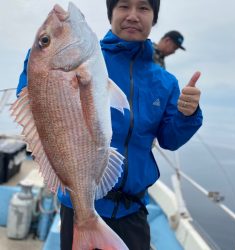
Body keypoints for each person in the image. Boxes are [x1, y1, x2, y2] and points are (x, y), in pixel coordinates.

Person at [17, 0, 202, 249]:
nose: (133, 16)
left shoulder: (165, 81)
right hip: (77, 204)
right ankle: (87, 219)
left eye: (144, 8)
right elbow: (36, 105)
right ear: (111, 14)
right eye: (124, 6)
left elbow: (170, 139)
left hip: (132, 211)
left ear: (154, 18)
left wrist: (187, 115)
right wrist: (38, 61)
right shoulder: (90, 59)